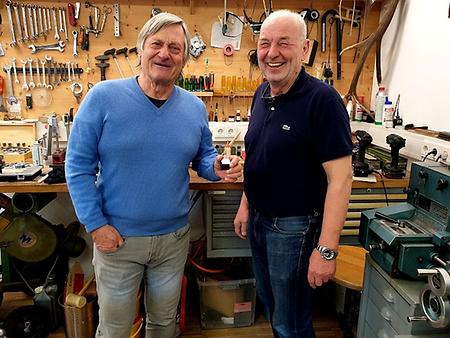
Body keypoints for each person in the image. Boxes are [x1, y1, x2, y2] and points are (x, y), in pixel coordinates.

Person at [65, 12, 242, 338]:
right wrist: (96, 225)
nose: (165, 53)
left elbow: (202, 157)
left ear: (184, 58)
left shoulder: (194, 107)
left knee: (163, 324)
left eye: (175, 48)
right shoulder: (102, 98)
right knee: (115, 329)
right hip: (117, 240)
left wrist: (215, 167)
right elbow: (77, 168)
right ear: (140, 49)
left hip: (172, 242)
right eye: (156, 44)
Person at [233, 10, 353, 338]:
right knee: (272, 306)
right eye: (265, 43)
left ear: (305, 48)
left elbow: (341, 180)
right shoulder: (262, 93)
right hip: (260, 220)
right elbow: (258, 156)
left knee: (292, 322)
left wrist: (327, 249)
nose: (272, 53)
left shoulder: (323, 101)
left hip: (294, 229)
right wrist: (247, 203)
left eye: (284, 43)